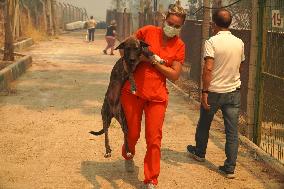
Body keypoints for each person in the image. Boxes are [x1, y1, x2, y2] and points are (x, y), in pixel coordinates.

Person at [120, 4, 186, 189]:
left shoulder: (179, 46)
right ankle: (128, 152)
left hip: (157, 97)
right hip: (133, 93)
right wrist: (132, 60)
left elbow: (174, 75)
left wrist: (153, 62)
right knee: (132, 134)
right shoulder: (148, 32)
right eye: (170, 23)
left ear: (181, 27)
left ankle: (151, 180)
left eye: (177, 26)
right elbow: (126, 46)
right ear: (164, 19)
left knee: (154, 138)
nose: (172, 27)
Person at [186, 9, 245, 179]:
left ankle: (200, 152)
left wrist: (204, 91)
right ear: (230, 23)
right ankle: (229, 167)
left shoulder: (211, 42)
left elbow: (208, 68)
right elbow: (240, 67)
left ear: (214, 24)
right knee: (232, 131)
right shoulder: (239, 42)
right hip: (233, 92)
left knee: (204, 123)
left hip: (213, 92)